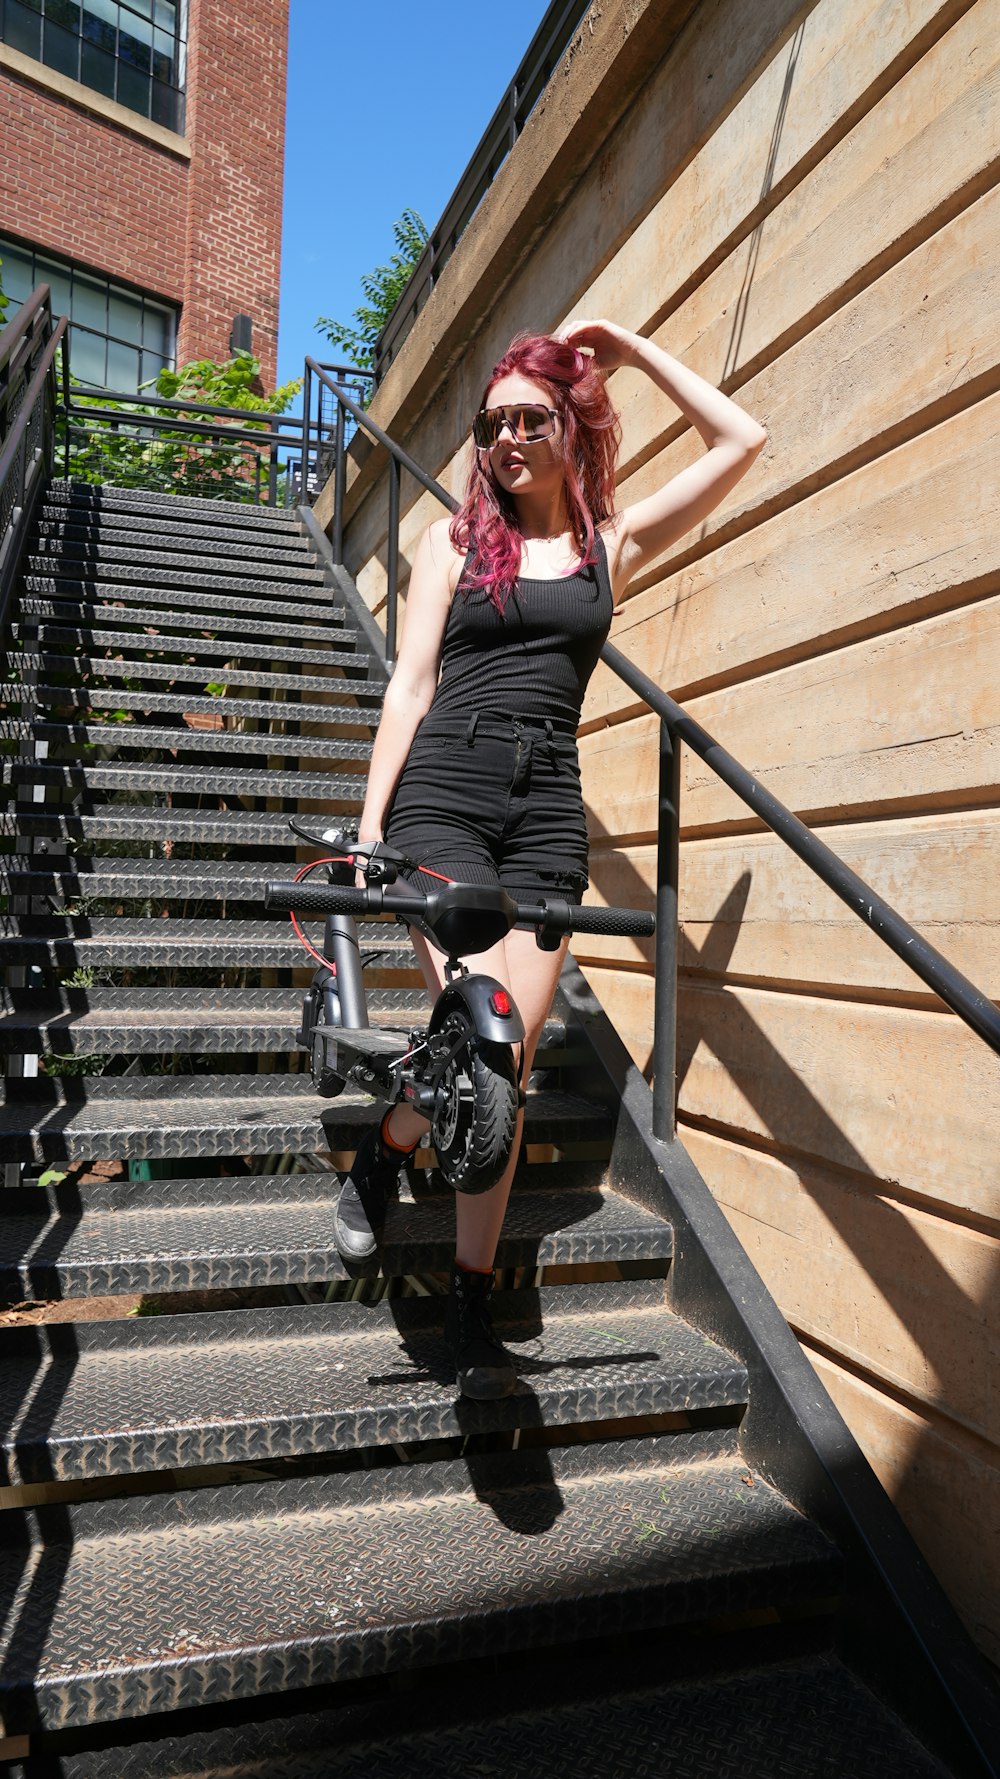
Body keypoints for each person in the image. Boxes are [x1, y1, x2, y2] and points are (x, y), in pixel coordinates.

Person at [334, 319, 766, 1398]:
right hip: (445, 796)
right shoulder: (450, 544)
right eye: (494, 423)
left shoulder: (605, 541)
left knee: (503, 1065)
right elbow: (411, 684)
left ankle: (404, 1171)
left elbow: (741, 440)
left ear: (570, 427)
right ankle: (416, 1189)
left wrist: (631, 348)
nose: (510, 437)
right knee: (479, 1035)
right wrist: (369, 827)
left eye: (533, 418)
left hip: (544, 814)